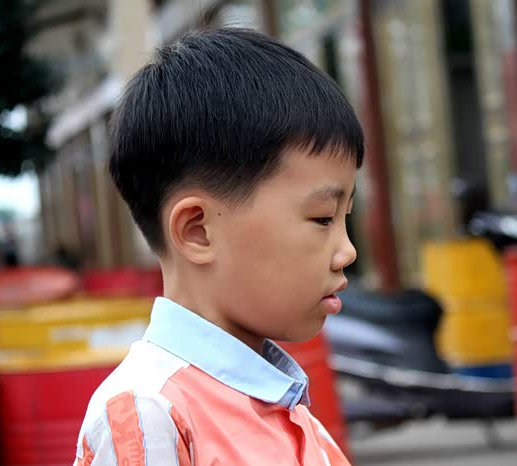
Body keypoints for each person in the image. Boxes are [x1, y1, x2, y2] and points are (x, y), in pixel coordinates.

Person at [74, 28, 362, 465]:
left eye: (345, 218)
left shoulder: (297, 419)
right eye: (323, 218)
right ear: (197, 231)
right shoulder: (149, 413)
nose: (347, 252)